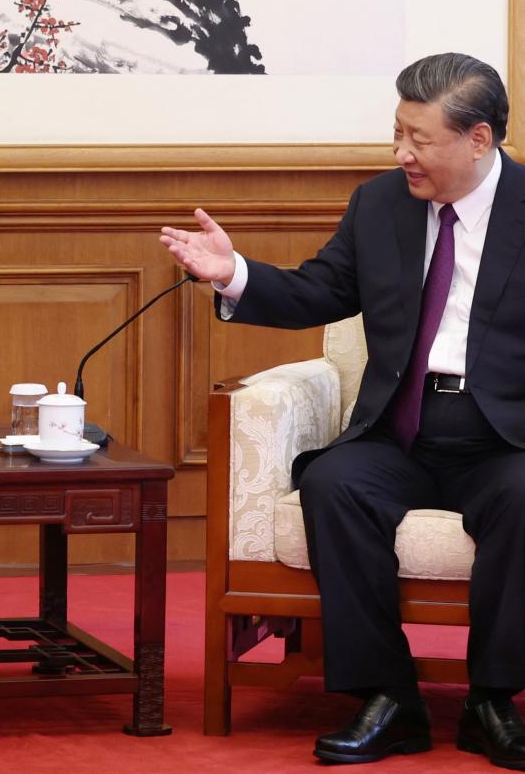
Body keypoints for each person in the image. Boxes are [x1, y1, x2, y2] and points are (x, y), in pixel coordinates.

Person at [161, 52, 525, 768]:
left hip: (503, 439)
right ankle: (387, 698)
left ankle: (493, 699)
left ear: (478, 139)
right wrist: (233, 273)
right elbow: (319, 292)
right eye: (398, 133)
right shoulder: (380, 204)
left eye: (419, 139)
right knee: (332, 484)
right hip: (402, 431)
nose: (401, 153)